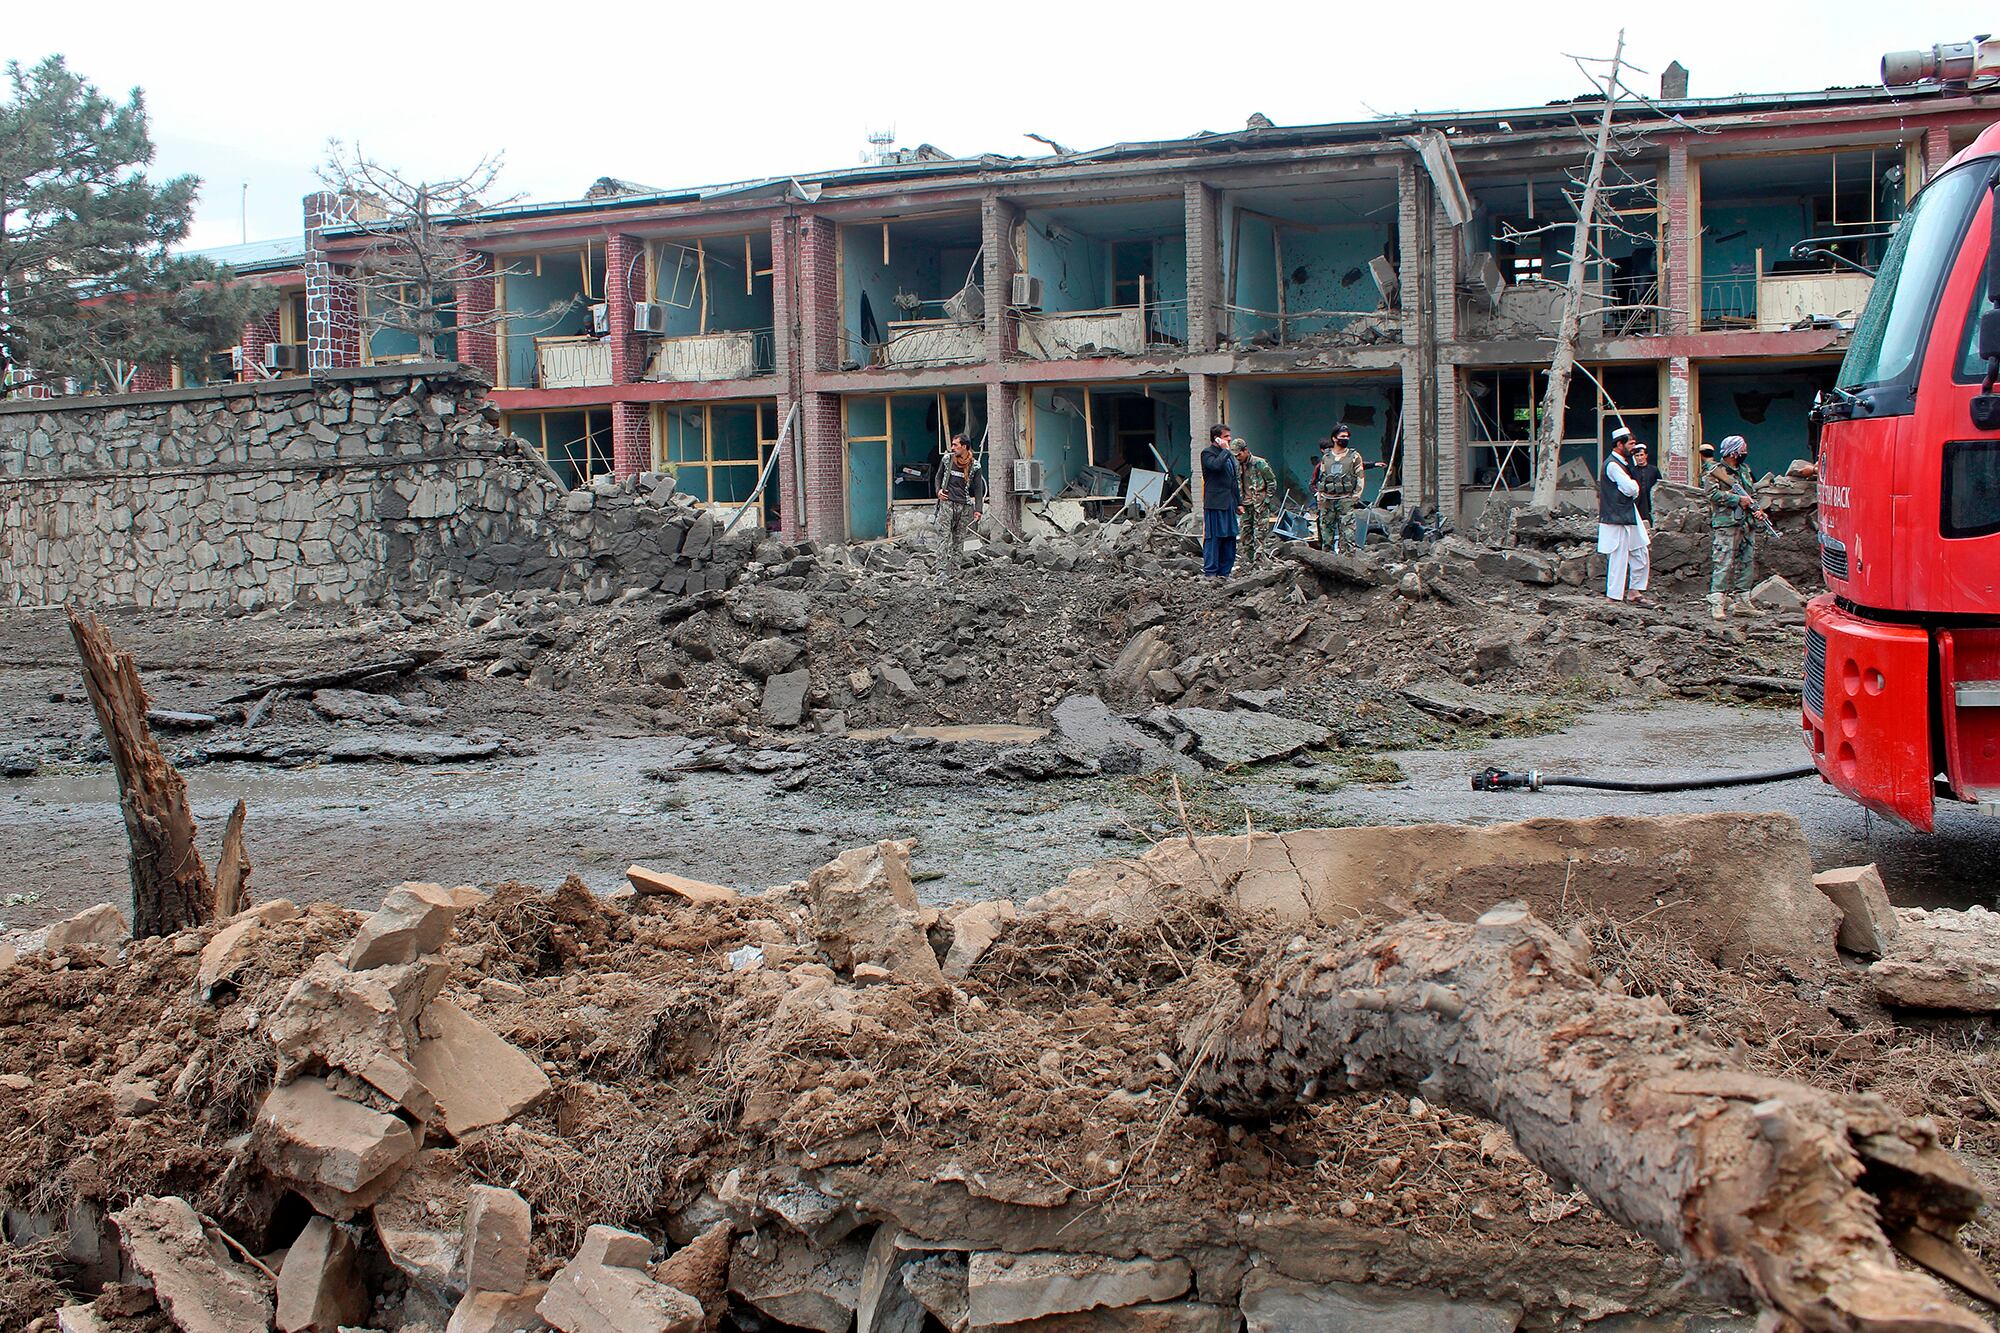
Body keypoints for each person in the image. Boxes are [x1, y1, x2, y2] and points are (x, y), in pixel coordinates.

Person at [1704, 434, 1766, 620]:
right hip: (1726, 523)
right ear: (1734, 452)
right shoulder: (1714, 471)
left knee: (1746, 562)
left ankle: (1742, 602)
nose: (1745, 452)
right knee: (1723, 562)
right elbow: (1712, 494)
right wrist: (1737, 499)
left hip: (1746, 523)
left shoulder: (1745, 470)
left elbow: (1751, 492)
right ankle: (1717, 603)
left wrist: (1757, 508)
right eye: (1742, 449)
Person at [1598, 426, 1651, 605]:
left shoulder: (1624, 463)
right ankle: (1613, 595)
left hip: (1627, 513)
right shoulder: (1613, 465)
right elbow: (1630, 488)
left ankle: (1635, 591)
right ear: (1620, 444)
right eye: (1631, 444)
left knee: (1640, 550)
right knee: (1618, 555)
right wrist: (1634, 487)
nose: (1633, 448)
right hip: (1616, 515)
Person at [932, 433, 986, 585]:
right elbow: (938, 477)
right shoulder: (947, 459)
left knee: (958, 540)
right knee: (943, 537)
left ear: (964, 446)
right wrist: (938, 491)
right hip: (947, 504)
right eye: (953, 444)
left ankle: (955, 571)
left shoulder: (975, 466)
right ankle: (941, 571)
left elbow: (978, 489)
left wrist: (978, 509)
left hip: (964, 506)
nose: (952, 447)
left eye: (956, 445)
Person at [1311, 427, 1365, 552]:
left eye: (1347, 437)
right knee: (1326, 536)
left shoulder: (1354, 456)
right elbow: (1322, 477)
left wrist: (1355, 497)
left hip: (1345, 499)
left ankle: (1347, 562)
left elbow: (1360, 477)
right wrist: (1320, 497)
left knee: (1348, 536)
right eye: (1342, 437)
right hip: (1327, 501)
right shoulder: (1326, 457)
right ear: (1334, 438)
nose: (1345, 439)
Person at [1200, 423, 1240, 578]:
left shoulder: (1228, 456)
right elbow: (1215, 467)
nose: (1229, 439)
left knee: (1230, 538)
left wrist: (1239, 502)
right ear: (1216, 438)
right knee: (1214, 538)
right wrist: (1225, 451)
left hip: (1229, 503)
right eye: (1226, 437)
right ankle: (1211, 573)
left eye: (1229, 436)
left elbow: (1233, 480)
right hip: (1215, 503)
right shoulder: (1207, 453)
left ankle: (1225, 573)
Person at [1233, 435, 1277, 564]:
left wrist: (1267, 499)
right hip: (1246, 505)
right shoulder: (1238, 466)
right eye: (1235, 455)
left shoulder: (1260, 463)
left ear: (1245, 450)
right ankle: (1249, 561)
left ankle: (1260, 562)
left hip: (1260, 504)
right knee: (1245, 533)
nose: (1237, 457)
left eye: (1239, 454)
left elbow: (1272, 481)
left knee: (1260, 534)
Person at [1630, 442, 1662, 527]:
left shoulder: (1654, 470)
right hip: (1637, 502)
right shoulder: (1632, 471)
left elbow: (1660, 486)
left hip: (1651, 502)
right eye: (1637, 456)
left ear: (1646, 455)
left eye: (1641, 455)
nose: (1640, 458)